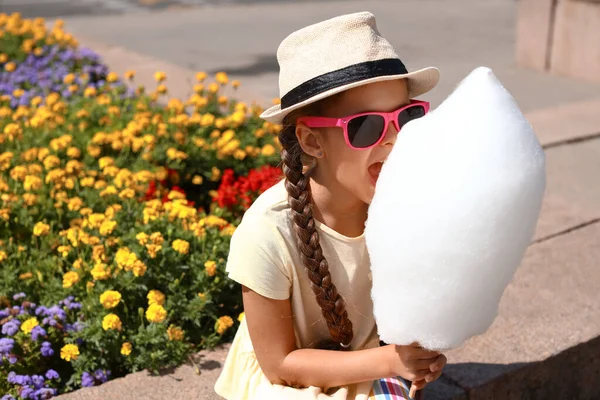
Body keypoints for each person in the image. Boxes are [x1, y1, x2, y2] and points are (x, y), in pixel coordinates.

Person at [214, 11, 447, 400]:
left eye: (406, 117)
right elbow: (279, 365)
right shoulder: (266, 232)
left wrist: (418, 355)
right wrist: (391, 361)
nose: (392, 140)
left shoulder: (403, 207)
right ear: (311, 141)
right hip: (286, 380)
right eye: (368, 126)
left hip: (367, 359)